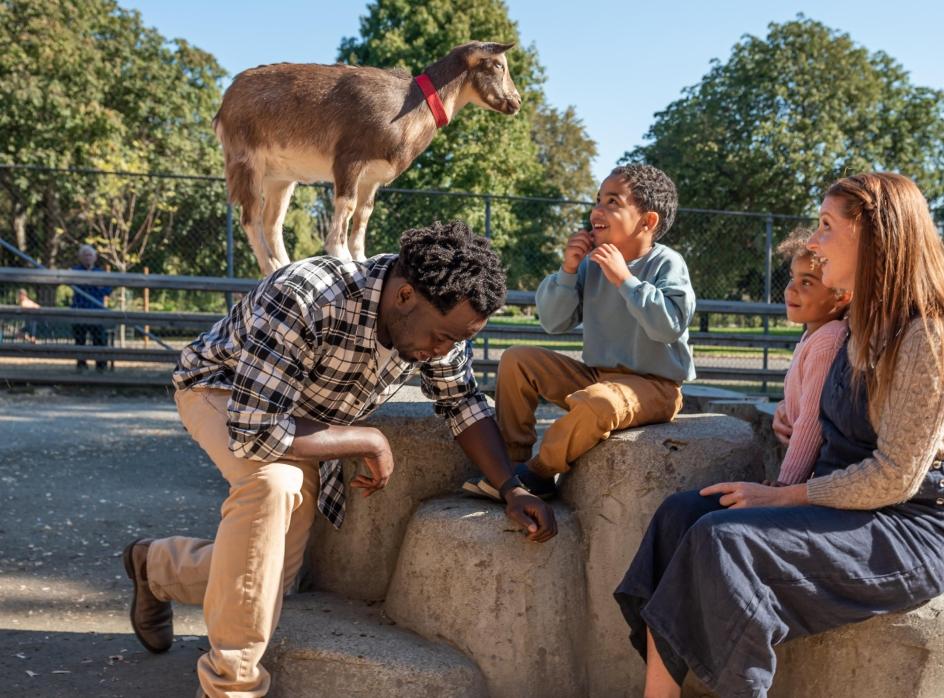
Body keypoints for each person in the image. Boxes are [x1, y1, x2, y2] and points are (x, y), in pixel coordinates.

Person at [121, 221, 557, 698]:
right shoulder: (307, 294)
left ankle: (157, 567)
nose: (445, 350)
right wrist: (364, 439)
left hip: (298, 421)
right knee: (274, 485)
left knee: (273, 578)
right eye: (444, 337)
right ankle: (231, 685)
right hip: (224, 393)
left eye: (458, 340)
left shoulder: (436, 320)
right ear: (405, 295)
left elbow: (462, 404)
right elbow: (254, 429)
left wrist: (511, 489)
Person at [615, 172, 944, 698]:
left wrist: (780, 496)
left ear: (874, 236)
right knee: (681, 515)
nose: (813, 243)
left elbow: (894, 477)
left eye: (825, 226)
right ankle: (658, 694)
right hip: (847, 501)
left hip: (910, 526)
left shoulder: (927, 334)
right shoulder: (857, 320)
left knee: (726, 541)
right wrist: (794, 418)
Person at [464, 164, 695, 500]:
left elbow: (668, 326)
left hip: (656, 387)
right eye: (598, 199)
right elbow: (553, 323)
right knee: (517, 360)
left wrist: (624, 280)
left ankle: (539, 473)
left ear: (647, 221)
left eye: (613, 202)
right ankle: (511, 463)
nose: (596, 211)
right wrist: (568, 270)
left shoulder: (667, 264)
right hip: (597, 375)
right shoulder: (590, 264)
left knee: (597, 402)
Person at [770, 227, 851, 485]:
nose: (790, 290)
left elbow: (812, 424)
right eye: (792, 278)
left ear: (841, 296)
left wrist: (784, 487)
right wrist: (784, 409)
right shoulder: (813, 335)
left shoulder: (828, 341)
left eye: (806, 282)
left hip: (815, 480)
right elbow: (803, 395)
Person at [70, 243, 112, 371]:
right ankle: (81, 364)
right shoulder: (75, 271)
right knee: (80, 340)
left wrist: (98, 288)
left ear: (95, 258)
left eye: (90, 255)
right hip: (79, 309)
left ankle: (101, 365)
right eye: (85, 255)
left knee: (99, 339)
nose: (88, 258)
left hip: (96, 310)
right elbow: (75, 287)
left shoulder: (100, 272)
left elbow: (107, 290)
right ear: (80, 258)